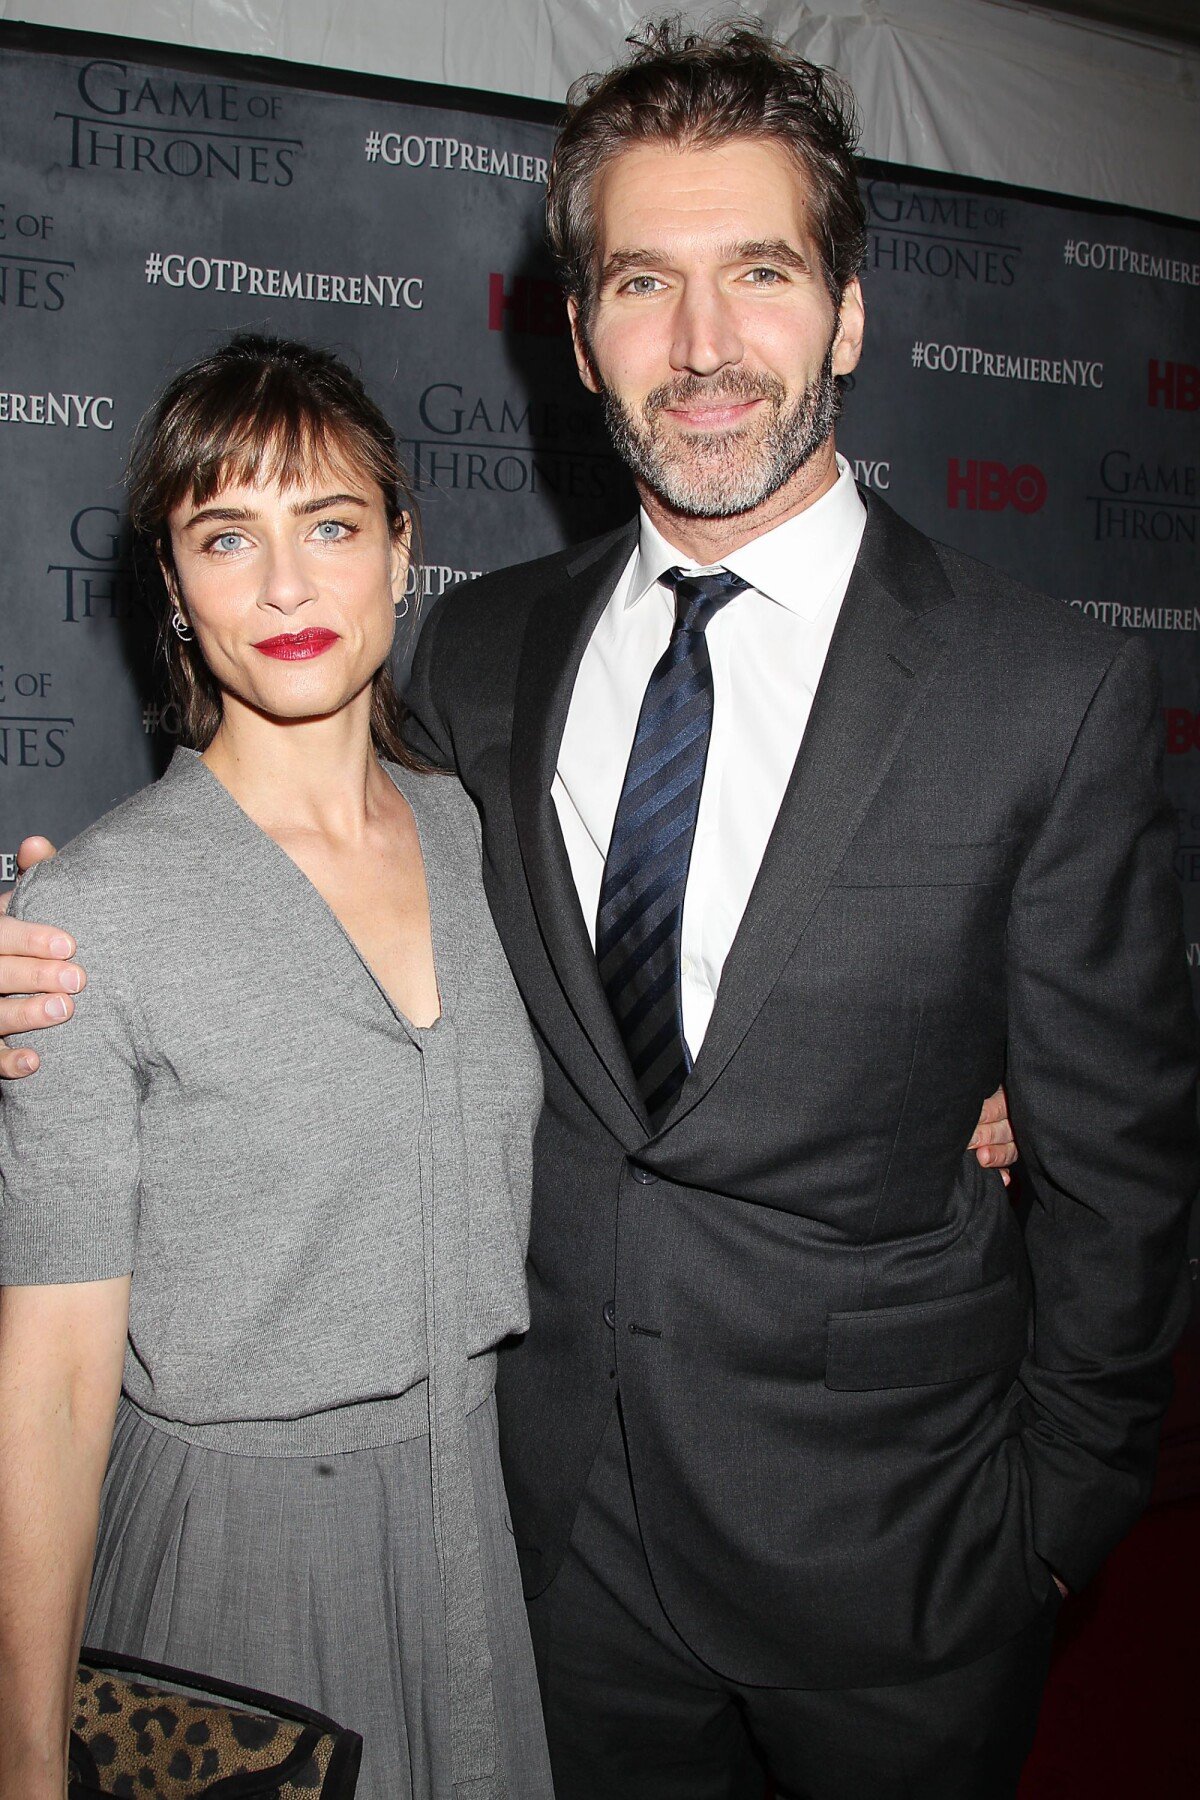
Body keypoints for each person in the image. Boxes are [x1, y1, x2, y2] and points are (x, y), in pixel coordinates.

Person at [0, 22, 1152, 1800]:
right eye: (641, 283)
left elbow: (1126, 1168)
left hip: (903, 1563)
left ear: (845, 314)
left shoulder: (1042, 691)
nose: (703, 347)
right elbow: (292, 859)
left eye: (758, 273)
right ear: (580, 335)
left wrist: (1054, 1523)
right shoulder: (479, 651)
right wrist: (70, 926)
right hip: (544, 1558)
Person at [0, 336, 554, 1800]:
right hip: (225, 1570)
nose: (291, 587)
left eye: (332, 526)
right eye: (228, 537)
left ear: (403, 550)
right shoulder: (85, 917)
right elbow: (51, 1388)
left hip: (475, 1534)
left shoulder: (488, 842)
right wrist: (26, 1760)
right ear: (173, 590)